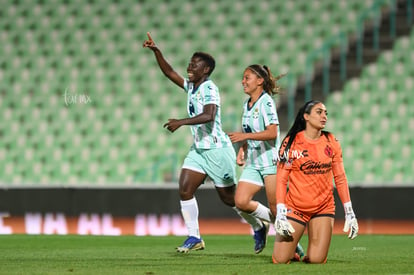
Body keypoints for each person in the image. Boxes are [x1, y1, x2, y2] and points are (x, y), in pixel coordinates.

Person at [143, 32, 266, 253]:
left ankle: (259, 225)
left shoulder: (210, 88)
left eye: (194, 65)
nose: (189, 68)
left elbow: (209, 115)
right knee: (185, 189)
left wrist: (181, 122)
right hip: (199, 150)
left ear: (205, 70)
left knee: (232, 200)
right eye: (189, 64)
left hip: (217, 151)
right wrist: (157, 51)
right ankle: (194, 236)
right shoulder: (191, 86)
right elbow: (170, 72)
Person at [228, 65, 303, 256]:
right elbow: (247, 131)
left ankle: (295, 245)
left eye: (247, 78)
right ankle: (261, 226)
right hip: (254, 161)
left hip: (270, 161)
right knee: (240, 202)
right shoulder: (247, 104)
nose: (243, 81)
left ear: (259, 81)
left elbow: (272, 133)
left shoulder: (266, 102)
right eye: (243, 78)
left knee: (275, 208)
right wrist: (242, 149)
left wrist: (245, 138)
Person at [272, 100, 359, 264]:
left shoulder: (331, 141)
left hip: (323, 207)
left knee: (317, 260)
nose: (324, 116)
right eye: (319, 112)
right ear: (306, 116)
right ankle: (292, 248)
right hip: (296, 207)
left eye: (326, 113)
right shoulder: (291, 142)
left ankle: (299, 247)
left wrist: (349, 212)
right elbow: (282, 179)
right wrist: (281, 213)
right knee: (280, 259)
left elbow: (340, 177)